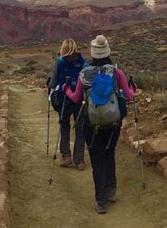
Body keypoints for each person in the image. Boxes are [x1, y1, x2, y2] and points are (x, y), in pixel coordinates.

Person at [65, 35, 136, 214]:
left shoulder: (84, 74)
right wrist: (132, 87)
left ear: (93, 52)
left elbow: (75, 98)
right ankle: (111, 190)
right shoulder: (116, 72)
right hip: (113, 124)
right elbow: (129, 97)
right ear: (107, 51)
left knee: (97, 160)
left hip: (92, 124)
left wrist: (66, 89)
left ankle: (101, 201)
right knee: (109, 154)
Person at [48, 39, 87, 170]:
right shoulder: (82, 61)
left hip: (64, 98)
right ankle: (79, 160)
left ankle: (66, 156)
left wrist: (49, 85)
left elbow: (53, 83)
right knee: (80, 128)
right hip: (80, 98)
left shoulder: (59, 61)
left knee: (64, 125)